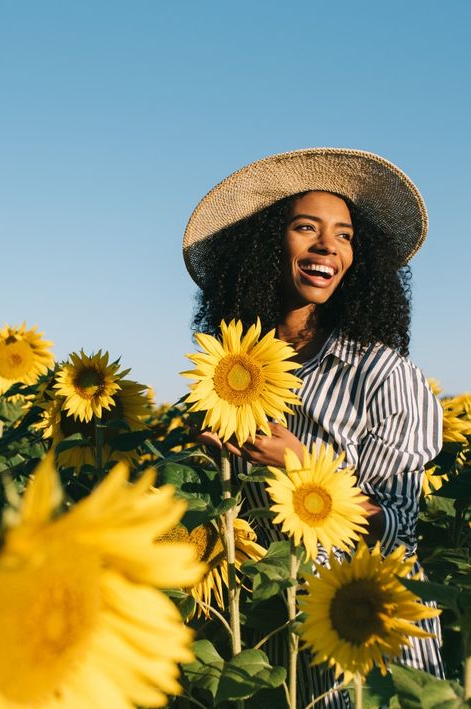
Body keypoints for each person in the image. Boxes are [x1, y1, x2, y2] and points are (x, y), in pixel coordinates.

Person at [182, 148, 444, 707]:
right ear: (266, 245)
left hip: (367, 642)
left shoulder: (383, 375)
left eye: (345, 235)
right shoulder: (227, 372)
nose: (328, 246)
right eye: (307, 228)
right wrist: (207, 468)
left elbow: (397, 530)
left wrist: (302, 469)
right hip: (272, 636)